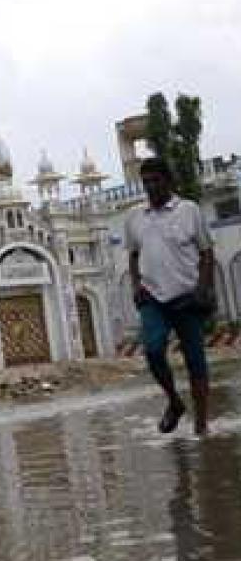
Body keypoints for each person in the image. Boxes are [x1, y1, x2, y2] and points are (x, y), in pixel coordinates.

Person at [126, 157, 216, 435]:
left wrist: (203, 289)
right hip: (153, 298)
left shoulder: (188, 210)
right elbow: (133, 254)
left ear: (168, 181)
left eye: (156, 180)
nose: (151, 186)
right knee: (153, 349)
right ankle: (175, 402)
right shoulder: (135, 217)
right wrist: (136, 286)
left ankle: (201, 426)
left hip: (187, 296)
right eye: (146, 182)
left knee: (195, 361)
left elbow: (206, 252)